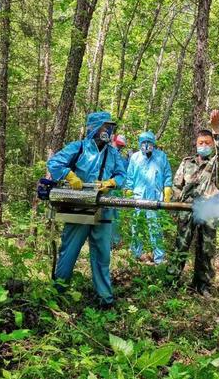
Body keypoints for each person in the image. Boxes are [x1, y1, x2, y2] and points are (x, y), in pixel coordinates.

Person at [47, 112, 126, 308]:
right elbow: (55, 163)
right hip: (78, 206)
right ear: (94, 127)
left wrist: (111, 182)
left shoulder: (113, 152)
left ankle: (105, 299)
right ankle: (58, 292)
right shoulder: (79, 147)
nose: (107, 131)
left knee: (102, 255)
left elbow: (122, 174)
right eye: (104, 127)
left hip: (104, 207)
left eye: (110, 127)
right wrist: (69, 175)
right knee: (70, 250)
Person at [167, 109, 219, 296]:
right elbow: (177, 185)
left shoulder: (216, 161)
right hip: (186, 209)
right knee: (181, 246)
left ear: (212, 145)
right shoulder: (187, 162)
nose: (203, 145)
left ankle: (202, 285)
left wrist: (216, 130)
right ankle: (172, 281)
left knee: (206, 249)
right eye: (200, 143)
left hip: (209, 211)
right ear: (196, 144)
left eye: (207, 143)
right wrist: (174, 207)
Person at [125, 131, 172, 265]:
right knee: (136, 226)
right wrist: (128, 189)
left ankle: (159, 259)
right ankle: (136, 255)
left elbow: (167, 173)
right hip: (138, 196)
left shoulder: (161, 156)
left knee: (155, 228)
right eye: (143, 143)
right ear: (140, 143)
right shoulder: (135, 157)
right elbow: (130, 176)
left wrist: (167, 187)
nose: (146, 145)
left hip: (155, 197)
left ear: (153, 143)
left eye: (149, 142)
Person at [110, 134, 129, 246]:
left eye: (121, 146)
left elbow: (123, 173)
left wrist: (129, 160)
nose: (119, 147)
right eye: (118, 145)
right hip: (106, 188)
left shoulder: (120, 157)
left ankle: (115, 242)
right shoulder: (108, 153)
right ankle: (107, 241)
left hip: (117, 190)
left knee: (116, 216)